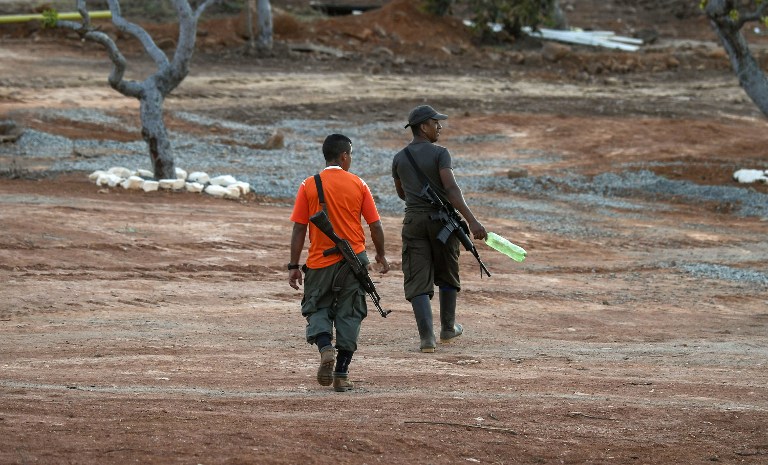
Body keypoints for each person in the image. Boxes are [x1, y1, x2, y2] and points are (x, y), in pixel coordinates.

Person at [288, 133, 390, 391]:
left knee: (317, 308)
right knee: (350, 313)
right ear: (344, 156)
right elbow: (375, 225)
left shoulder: (308, 185)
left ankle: (325, 349)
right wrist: (380, 254)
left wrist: (293, 266)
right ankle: (341, 374)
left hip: (319, 262)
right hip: (353, 261)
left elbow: (299, 229)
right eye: (351, 155)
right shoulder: (359, 184)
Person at [391, 105, 487, 353]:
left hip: (413, 221)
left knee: (417, 276)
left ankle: (427, 339)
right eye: (436, 123)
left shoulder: (399, 158)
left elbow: (402, 193)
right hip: (442, 222)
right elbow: (452, 190)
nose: (440, 127)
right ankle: (448, 328)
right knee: (447, 271)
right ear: (423, 126)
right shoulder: (440, 153)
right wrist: (473, 221)